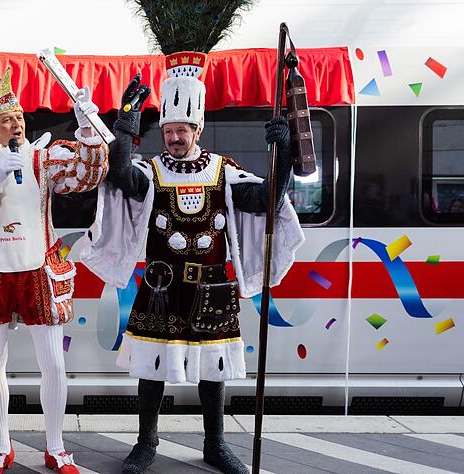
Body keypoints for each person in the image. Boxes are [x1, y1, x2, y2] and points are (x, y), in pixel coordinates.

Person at [81, 54, 304, 474]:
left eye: (182, 130)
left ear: (197, 129)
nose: (175, 137)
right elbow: (120, 174)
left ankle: (215, 445)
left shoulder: (225, 172)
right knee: (151, 365)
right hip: (161, 287)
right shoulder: (151, 172)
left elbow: (267, 200)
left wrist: (286, 153)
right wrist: (127, 121)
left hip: (213, 288)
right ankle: (146, 443)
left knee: (212, 368)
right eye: (168, 130)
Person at [0, 66, 108, 474]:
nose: (14, 124)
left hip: (39, 267)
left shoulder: (46, 158)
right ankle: (0, 446)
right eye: (4, 120)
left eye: (18, 118)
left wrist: (87, 128)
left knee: (52, 362)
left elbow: (89, 175)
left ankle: (56, 446)